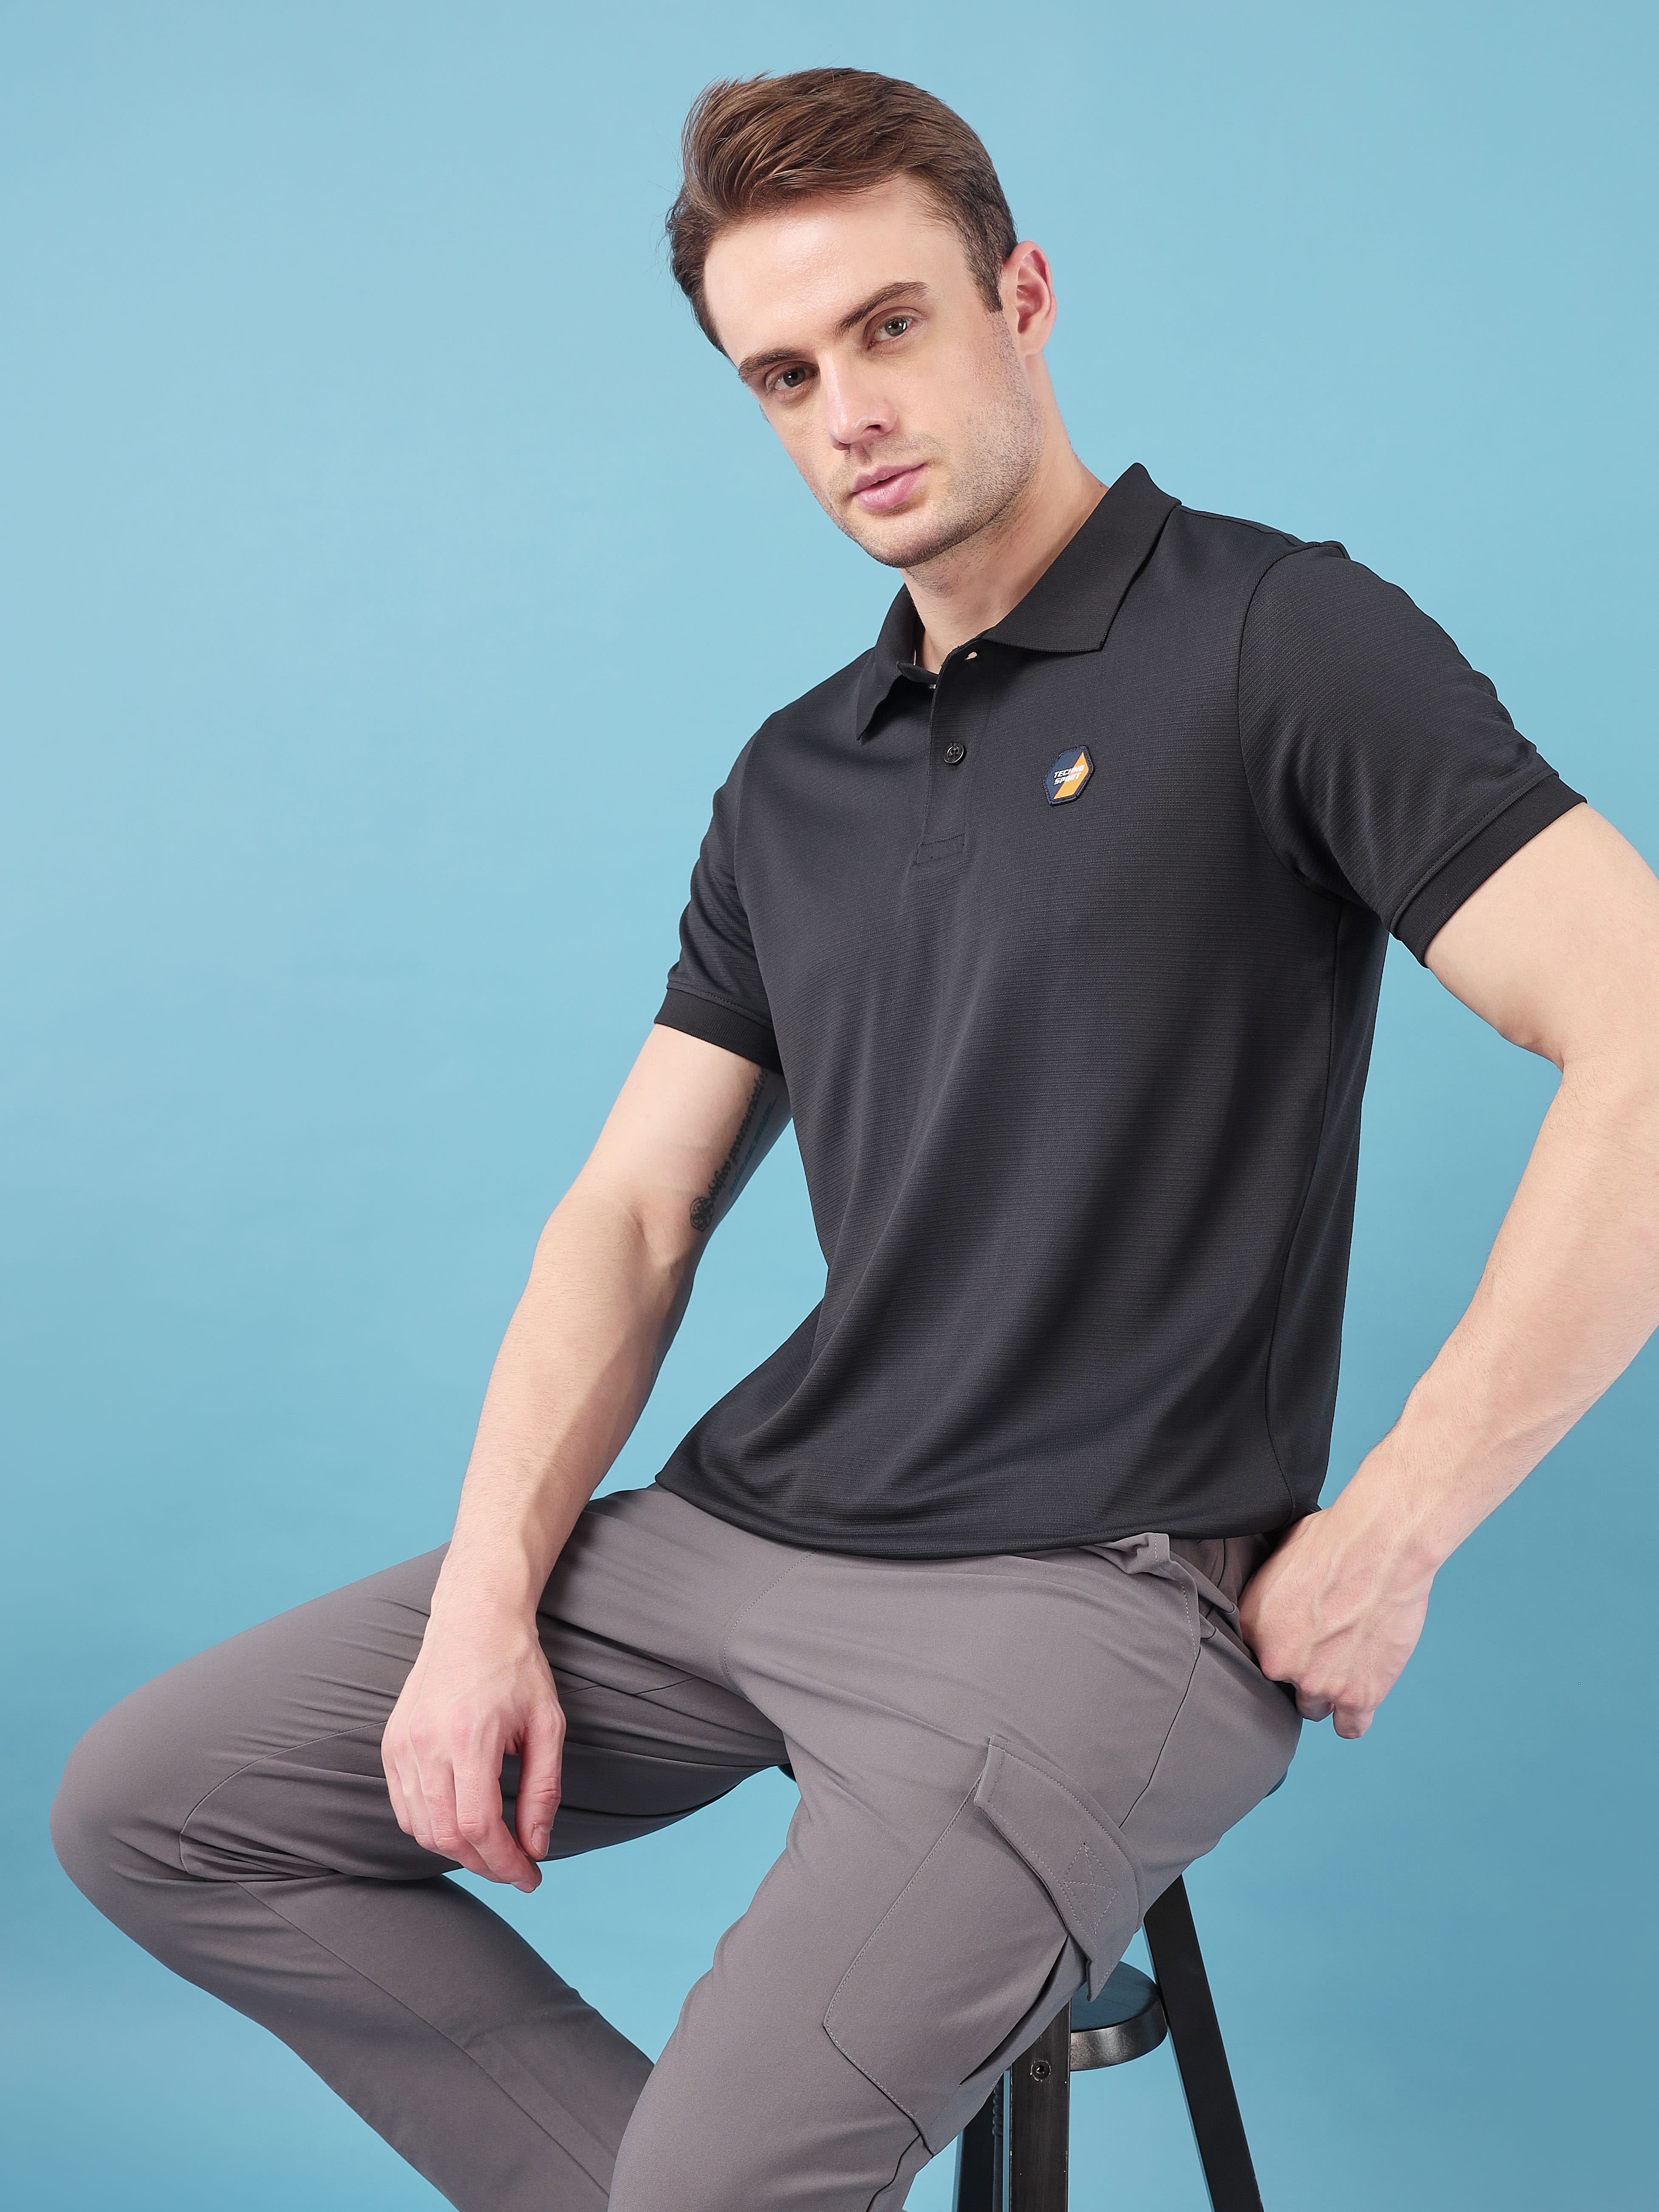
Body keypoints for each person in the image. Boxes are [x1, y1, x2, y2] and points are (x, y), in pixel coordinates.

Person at [51, 67, 1659, 2212]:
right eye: (784, 375)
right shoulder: (791, 777)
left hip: (1088, 1595)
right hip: (753, 1534)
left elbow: (1642, 1025)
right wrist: (483, 1608)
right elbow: (634, 1213)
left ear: (1020, 297)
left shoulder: (1276, 638)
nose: (847, 414)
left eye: (888, 327)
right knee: (157, 1808)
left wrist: (1396, 1527)